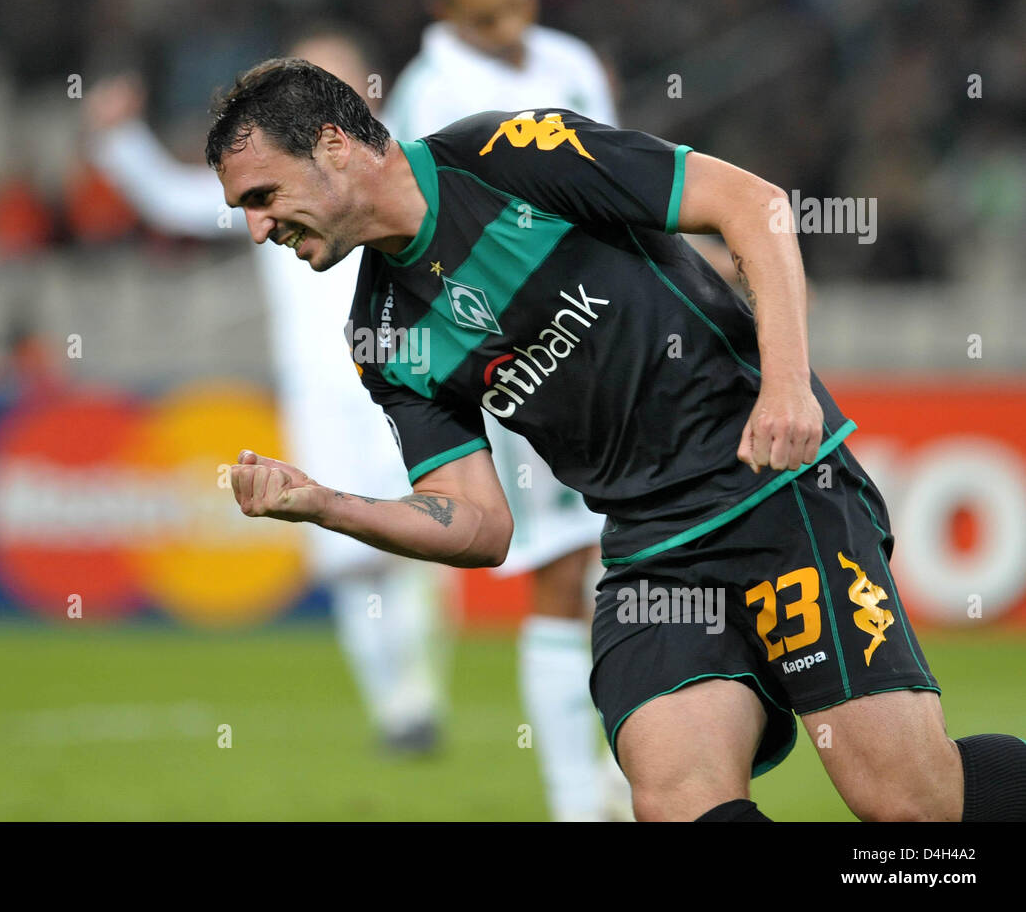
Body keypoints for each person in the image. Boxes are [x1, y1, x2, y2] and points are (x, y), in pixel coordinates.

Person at [208, 57, 1026, 822]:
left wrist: (784, 385)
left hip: (773, 489)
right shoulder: (383, 336)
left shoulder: (507, 155)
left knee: (908, 806)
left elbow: (754, 206)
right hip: (648, 549)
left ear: (334, 145)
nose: (257, 228)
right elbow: (480, 526)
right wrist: (326, 504)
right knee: (674, 797)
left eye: (262, 195)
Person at [84, 28, 448, 754]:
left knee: (425, 540)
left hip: (414, 376)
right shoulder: (273, 180)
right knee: (352, 557)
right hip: (321, 393)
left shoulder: (416, 163)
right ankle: (398, 712)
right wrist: (118, 141)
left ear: (369, 92)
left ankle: (420, 693)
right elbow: (177, 202)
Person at [385, 0, 628, 821]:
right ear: (443, 10)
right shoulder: (425, 94)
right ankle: (575, 801)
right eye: (488, 18)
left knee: (631, 568)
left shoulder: (570, 61)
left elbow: (621, 180)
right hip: (524, 347)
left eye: (519, 5)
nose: (511, 29)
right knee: (563, 570)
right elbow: (425, 241)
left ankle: (618, 767)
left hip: (617, 331)